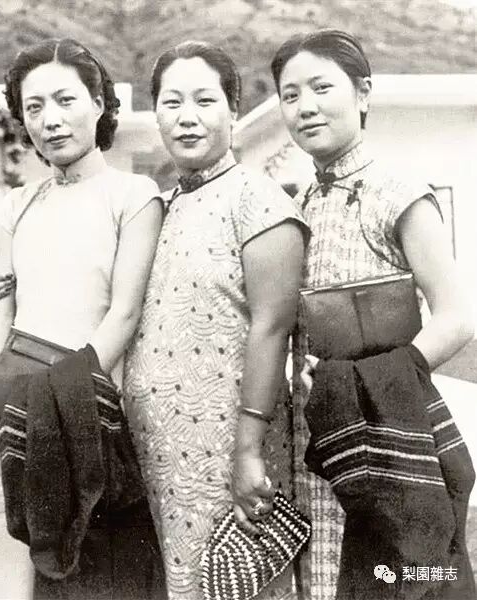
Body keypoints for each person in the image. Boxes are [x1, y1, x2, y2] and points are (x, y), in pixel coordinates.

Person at [270, 29, 475, 600]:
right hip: (321, 438)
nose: (305, 106)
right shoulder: (296, 206)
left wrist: (375, 383)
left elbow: (457, 316)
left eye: (321, 87)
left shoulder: (399, 191)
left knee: (402, 576)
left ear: (362, 93)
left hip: (393, 432)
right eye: (290, 94)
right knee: (328, 581)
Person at [0, 38, 163, 600]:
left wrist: (64, 402)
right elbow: (0, 313)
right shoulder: (17, 205)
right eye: (34, 107)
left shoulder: (134, 195)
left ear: (99, 104)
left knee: (83, 577)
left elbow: (124, 312)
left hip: (83, 413)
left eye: (65, 100)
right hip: (4, 417)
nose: (50, 119)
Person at [122, 41, 309, 599]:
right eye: (172, 102)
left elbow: (272, 329)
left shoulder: (260, 202)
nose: (187, 117)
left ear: (233, 110)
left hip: (231, 455)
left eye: (204, 100)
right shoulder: (159, 209)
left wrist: (247, 452)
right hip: (158, 460)